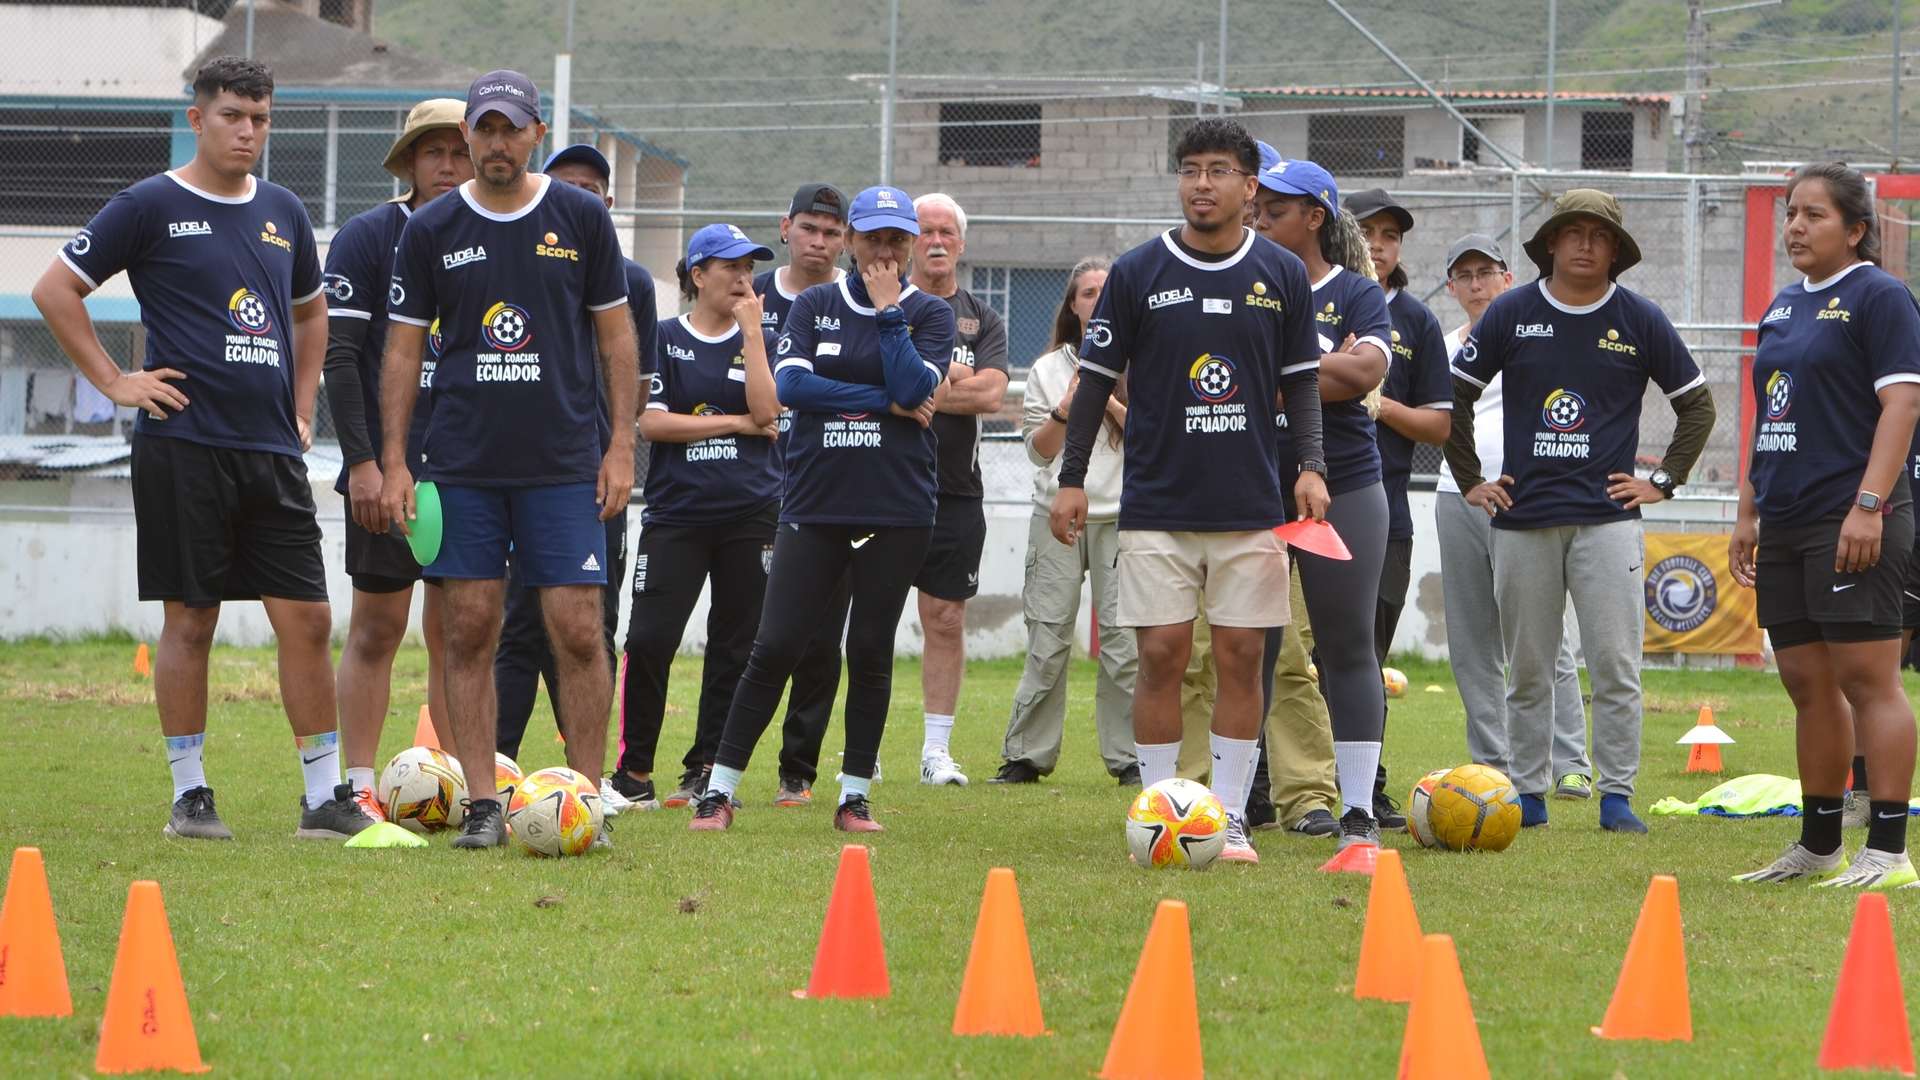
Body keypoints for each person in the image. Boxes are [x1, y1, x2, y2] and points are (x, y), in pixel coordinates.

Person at [31, 56, 365, 840]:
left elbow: (311, 315)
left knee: (310, 619)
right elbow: (56, 288)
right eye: (232, 116)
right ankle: (191, 795)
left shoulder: (283, 208)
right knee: (192, 622)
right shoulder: (148, 203)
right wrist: (116, 379)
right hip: (183, 445)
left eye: (260, 119)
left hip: (271, 449)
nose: (248, 132)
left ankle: (323, 799)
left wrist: (302, 403)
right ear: (198, 119)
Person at [1052, 118, 1327, 865]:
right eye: (1189, 170)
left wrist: (1310, 465)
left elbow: (1301, 386)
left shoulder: (1281, 274)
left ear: (1249, 186)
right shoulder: (1140, 271)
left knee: (1243, 660)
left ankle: (1230, 820)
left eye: (1217, 171)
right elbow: (1094, 386)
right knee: (1164, 656)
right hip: (1158, 505)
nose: (1201, 183)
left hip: (1251, 506)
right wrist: (1071, 479)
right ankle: (1157, 817)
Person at [378, 70, 640, 849]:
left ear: (535, 134)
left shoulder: (581, 218)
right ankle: (486, 804)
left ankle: (585, 798)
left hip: (563, 461)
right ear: (467, 137)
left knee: (578, 627)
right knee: (468, 626)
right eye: (483, 129)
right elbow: (400, 351)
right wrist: (394, 459)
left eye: (510, 128)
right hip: (460, 461)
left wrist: (621, 444)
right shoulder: (428, 231)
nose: (496, 143)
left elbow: (617, 337)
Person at [1447, 189, 1717, 835]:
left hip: (1609, 522)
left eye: (1600, 235)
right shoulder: (1512, 312)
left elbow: (1698, 406)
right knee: (1531, 667)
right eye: (1573, 232)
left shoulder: (1640, 318)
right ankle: (1530, 794)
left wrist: (1663, 482)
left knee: (1615, 666)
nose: (1586, 244)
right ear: (1551, 243)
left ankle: (1616, 796)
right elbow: (1452, 396)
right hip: (1522, 519)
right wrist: (1470, 482)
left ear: (1617, 250)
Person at [690, 185, 954, 832]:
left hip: (898, 508)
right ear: (853, 241)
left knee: (868, 648)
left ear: (912, 244)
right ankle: (718, 791)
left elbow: (919, 387)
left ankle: (854, 796)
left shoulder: (931, 315)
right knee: (776, 643)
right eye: (873, 238)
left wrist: (891, 317)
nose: (884, 251)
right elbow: (791, 387)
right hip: (815, 502)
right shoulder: (813, 303)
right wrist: (883, 399)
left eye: (897, 239)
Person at [1732, 162, 1920, 888]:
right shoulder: (1782, 307)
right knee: (1807, 683)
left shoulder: (1880, 297)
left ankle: (1889, 851)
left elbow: (1902, 407)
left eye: (1813, 214)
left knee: (1870, 680)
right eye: (1789, 213)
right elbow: (1769, 413)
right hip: (1784, 516)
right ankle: (1818, 846)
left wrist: (1869, 505)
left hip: (1852, 516)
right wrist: (1749, 509)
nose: (1796, 227)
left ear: (1857, 229)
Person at [491, 144, 656, 812]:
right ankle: (495, 773)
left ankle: (583, 781)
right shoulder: (515, 263)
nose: (580, 197)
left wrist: (613, 446)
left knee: (589, 624)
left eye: (593, 187)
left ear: (607, 204)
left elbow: (636, 387)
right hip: (511, 473)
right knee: (515, 624)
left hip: (591, 477)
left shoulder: (633, 282)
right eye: (568, 185)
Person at [323, 97, 471, 821]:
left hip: (472, 474)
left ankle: (463, 790)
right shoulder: (366, 236)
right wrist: (365, 464)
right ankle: (356, 788)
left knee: (460, 635)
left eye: (461, 150)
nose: (449, 165)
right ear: (409, 161)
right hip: (391, 469)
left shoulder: (497, 236)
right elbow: (341, 357)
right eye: (433, 151)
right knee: (377, 628)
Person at [1250, 158, 1394, 849]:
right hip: (1249, 485)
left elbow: (1365, 372)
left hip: (1345, 486)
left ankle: (1359, 812)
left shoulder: (1357, 292)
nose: (1259, 220)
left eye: (1274, 210)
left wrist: (1273, 373)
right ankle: (1229, 805)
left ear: (1316, 217)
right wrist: (1315, 367)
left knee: (1346, 647)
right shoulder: (1242, 285)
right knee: (1247, 646)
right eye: (1257, 208)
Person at [611, 225, 780, 809]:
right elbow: (653, 423)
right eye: (730, 266)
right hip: (677, 514)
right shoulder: (662, 336)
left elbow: (770, 413)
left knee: (735, 645)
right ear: (698, 275)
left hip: (752, 514)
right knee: (650, 639)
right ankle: (633, 775)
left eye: (750, 268)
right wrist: (733, 424)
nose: (743, 277)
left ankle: (708, 766)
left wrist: (754, 339)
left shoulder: (761, 336)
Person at [1433, 234, 1593, 792]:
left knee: (1542, 635)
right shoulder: (1442, 345)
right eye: (1464, 275)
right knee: (1472, 639)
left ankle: (1569, 762)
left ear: (1507, 277)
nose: (1477, 284)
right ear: (1452, 286)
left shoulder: (1537, 328)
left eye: (1486, 273)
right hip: (1459, 494)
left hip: (1526, 495)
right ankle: (1494, 764)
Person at [991, 257, 1139, 785]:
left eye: (1106, 291)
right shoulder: (1048, 369)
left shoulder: (1143, 360)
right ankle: (1027, 754)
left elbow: (1153, 444)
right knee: (1048, 637)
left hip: (1123, 518)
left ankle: (1129, 760)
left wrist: (1106, 401)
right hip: (1055, 513)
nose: (1096, 301)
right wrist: (1067, 408)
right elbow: (1038, 452)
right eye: (1086, 293)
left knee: (1124, 645)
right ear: (1072, 307)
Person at [1348, 187, 1451, 826]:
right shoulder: (1306, 300)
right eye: (1367, 233)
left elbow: (1439, 425)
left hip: (1386, 512)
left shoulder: (1415, 322)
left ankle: (1368, 786)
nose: (1379, 246)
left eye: (1390, 235)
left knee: (1367, 654)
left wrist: (1376, 402)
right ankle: (1271, 786)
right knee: (1286, 654)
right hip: (1302, 506)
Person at [753, 183, 854, 809]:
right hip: (751, 484)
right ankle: (712, 762)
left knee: (821, 638)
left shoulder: (853, 301)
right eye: (808, 228)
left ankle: (799, 770)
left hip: (828, 489)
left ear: (844, 239)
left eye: (831, 232)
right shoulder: (751, 295)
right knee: (754, 634)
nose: (818, 241)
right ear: (785, 227)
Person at [909, 193, 1010, 788]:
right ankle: (859, 752)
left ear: (962, 244)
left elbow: (993, 396)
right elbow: (876, 386)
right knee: (865, 618)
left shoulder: (982, 318)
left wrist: (915, 385)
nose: (937, 240)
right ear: (909, 241)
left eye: (947, 231)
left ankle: (935, 752)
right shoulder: (886, 305)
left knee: (945, 618)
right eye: (925, 231)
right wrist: (950, 377)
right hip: (883, 486)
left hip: (956, 491)